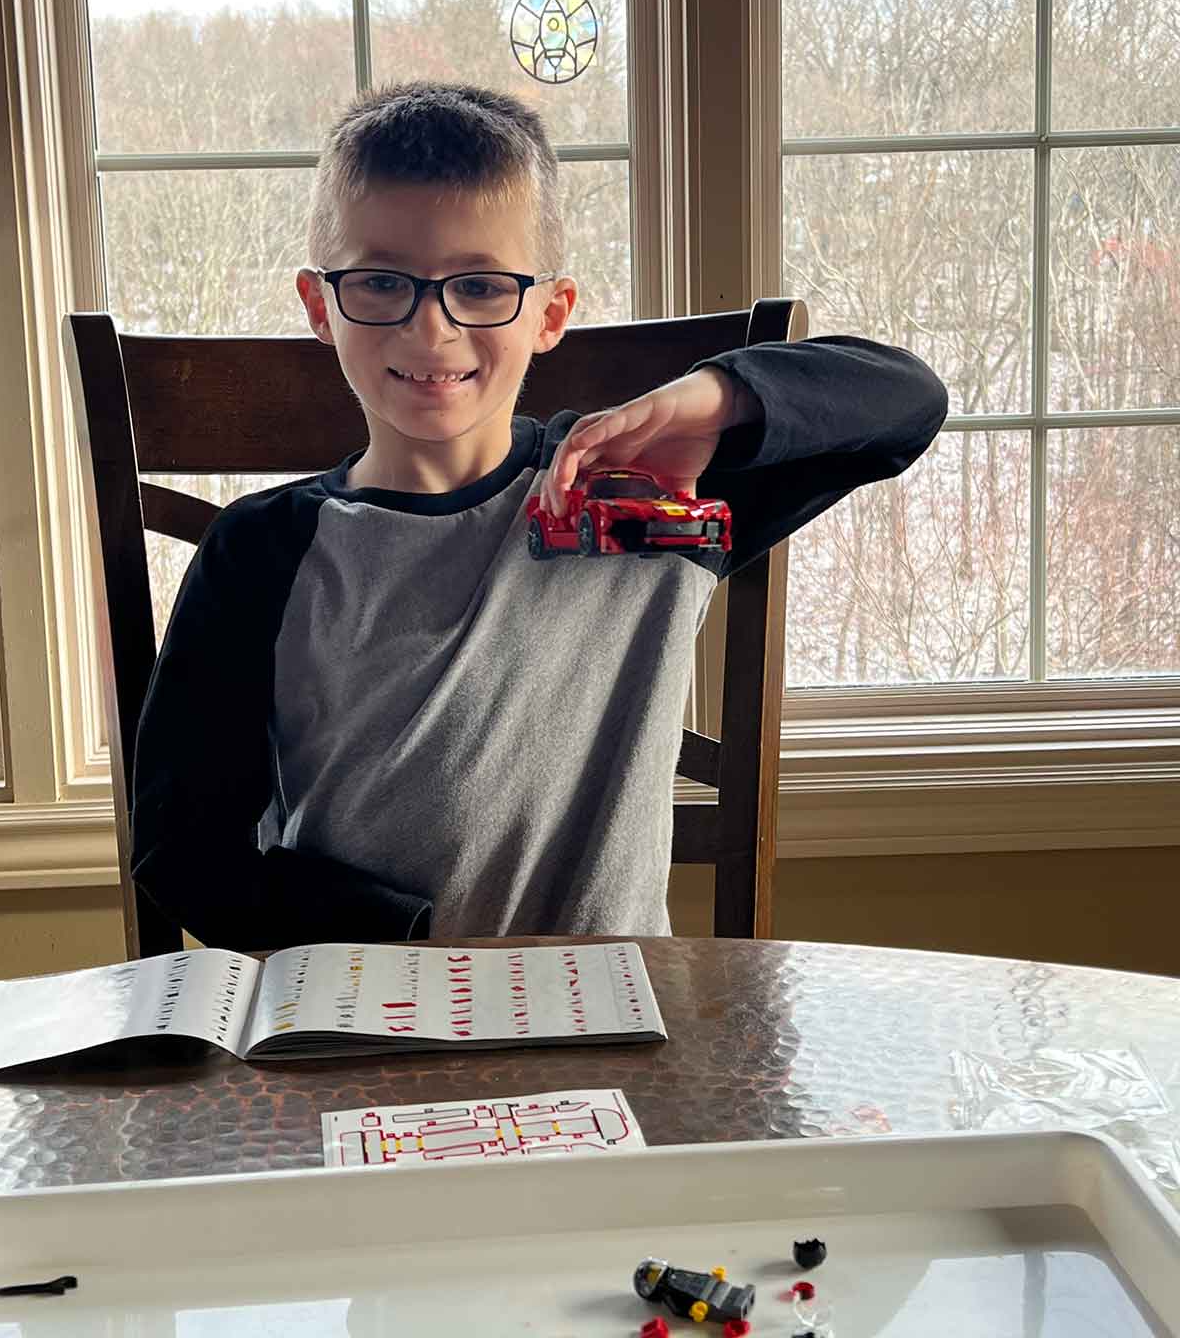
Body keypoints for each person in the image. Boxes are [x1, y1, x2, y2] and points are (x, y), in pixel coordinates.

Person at [132, 80, 949, 950]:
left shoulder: (638, 489)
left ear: (551, 311)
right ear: (319, 305)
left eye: (481, 286)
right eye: (378, 283)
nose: (431, 331)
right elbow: (183, 853)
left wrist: (711, 399)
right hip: (360, 1013)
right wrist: (407, 939)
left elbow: (906, 401)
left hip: (613, 1030)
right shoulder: (258, 551)